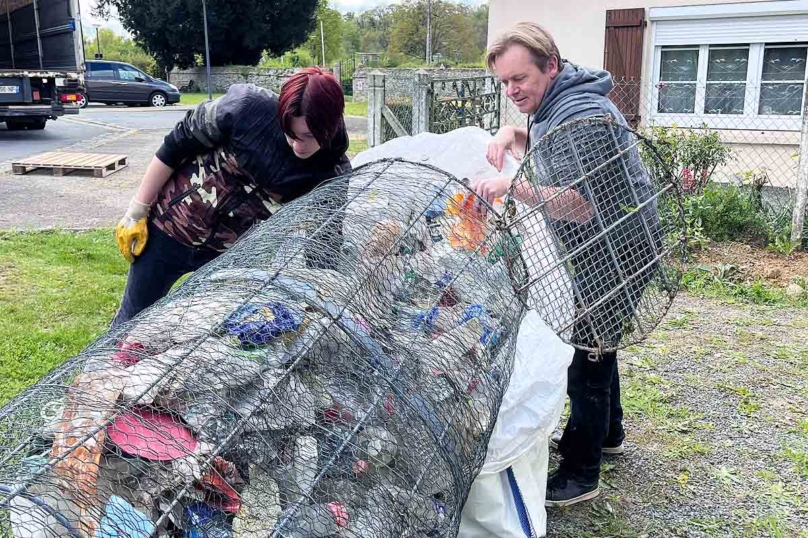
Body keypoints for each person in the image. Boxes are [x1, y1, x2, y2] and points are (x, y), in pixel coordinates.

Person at [473, 22, 660, 508]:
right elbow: (543, 147)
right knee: (600, 340)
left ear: (551, 66)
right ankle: (609, 433)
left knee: (587, 356)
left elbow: (579, 204)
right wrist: (507, 132)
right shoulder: (554, 103)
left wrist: (511, 187)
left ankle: (582, 472)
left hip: (620, 249)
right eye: (505, 83)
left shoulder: (582, 113)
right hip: (599, 246)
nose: (513, 91)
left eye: (521, 80)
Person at [111, 67, 351, 328]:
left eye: (308, 137)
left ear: (330, 126)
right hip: (169, 228)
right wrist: (138, 209)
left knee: (199, 332)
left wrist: (318, 294)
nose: (297, 145)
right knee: (132, 322)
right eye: (290, 133)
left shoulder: (332, 166)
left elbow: (325, 236)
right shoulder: (244, 108)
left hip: (227, 256)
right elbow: (175, 145)